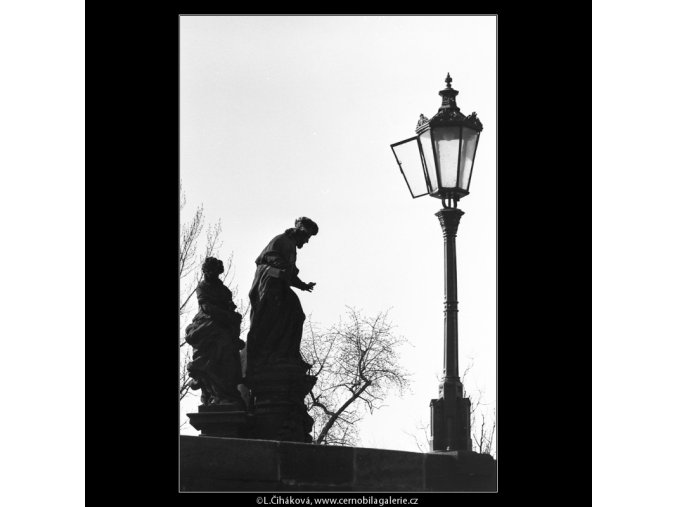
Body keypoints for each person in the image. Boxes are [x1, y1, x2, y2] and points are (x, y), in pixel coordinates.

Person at [246, 217, 318, 374]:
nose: (306, 242)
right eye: (307, 237)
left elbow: (290, 274)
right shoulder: (281, 240)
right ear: (300, 232)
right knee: (276, 317)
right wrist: (283, 267)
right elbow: (267, 258)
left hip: (280, 286)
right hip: (269, 285)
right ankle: (274, 353)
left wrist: (303, 285)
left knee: (296, 315)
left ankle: (286, 353)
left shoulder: (291, 246)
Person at [184, 256, 245, 407]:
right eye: (207, 271)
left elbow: (230, 307)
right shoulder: (202, 287)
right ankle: (212, 386)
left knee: (229, 353)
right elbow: (206, 308)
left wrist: (231, 316)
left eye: (212, 271)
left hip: (223, 323)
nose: (208, 274)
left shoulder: (224, 290)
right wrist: (226, 316)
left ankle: (225, 392)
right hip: (207, 321)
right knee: (220, 340)